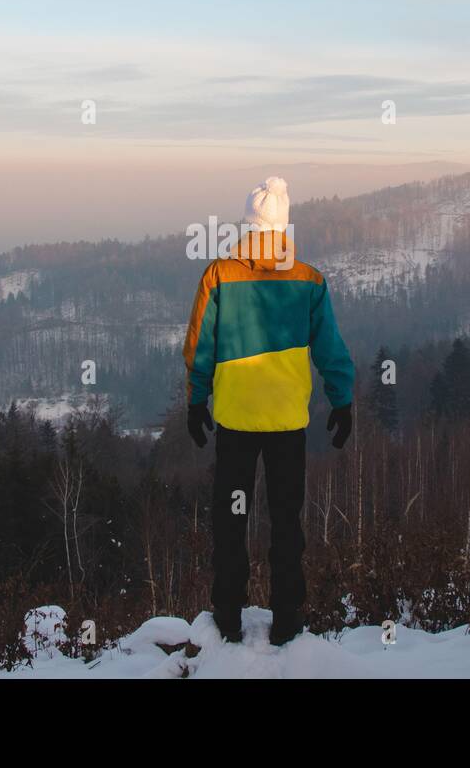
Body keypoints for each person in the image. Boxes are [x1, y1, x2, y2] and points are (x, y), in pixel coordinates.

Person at [181, 176, 355, 646]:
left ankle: (230, 617)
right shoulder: (309, 280)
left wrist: (197, 399)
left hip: (235, 422)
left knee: (230, 519)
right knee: (286, 520)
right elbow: (330, 349)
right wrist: (342, 399)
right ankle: (286, 620)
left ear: (247, 223)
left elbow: (200, 345)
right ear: (283, 226)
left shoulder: (219, 275)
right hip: (286, 425)